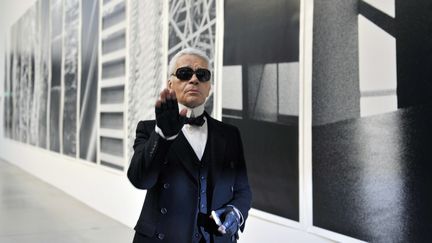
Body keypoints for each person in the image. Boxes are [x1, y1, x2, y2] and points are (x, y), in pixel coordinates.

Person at [128, 48, 252, 243]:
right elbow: (140, 179)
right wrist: (162, 136)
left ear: (209, 87)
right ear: (170, 84)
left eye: (202, 75)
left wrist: (235, 212)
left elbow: (243, 189)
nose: (194, 80)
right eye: (185, 74)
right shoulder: (148, 129)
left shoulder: (230, 134)